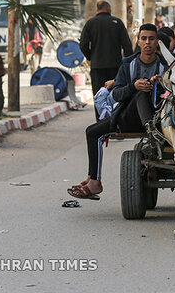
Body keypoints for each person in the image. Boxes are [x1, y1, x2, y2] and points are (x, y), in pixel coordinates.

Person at [69, 23, 168, 200]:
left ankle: (152, 128)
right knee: (92, 132)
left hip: (159, 119)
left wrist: (159, 86)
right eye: (144, 38)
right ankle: (94, 180)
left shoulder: (165, 66)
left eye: (151, 39)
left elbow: (174, 94)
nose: (147, 43)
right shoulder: (128, 63)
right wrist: (134, 86)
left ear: (157, 43)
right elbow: (116, 93)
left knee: (143, 95)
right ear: (138, 42)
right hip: (129, 116)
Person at [79, 0, 134, 119]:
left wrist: (91, 57)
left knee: (99, 96)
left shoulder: (90, 23)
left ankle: (100, 122)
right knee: (116, 95)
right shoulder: (117, 22)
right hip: (116, 67)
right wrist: (128, 63)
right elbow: (127, 46)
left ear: (98, 9)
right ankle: (115, 121)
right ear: (108, 8)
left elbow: (83, 44)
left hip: (97, 67)